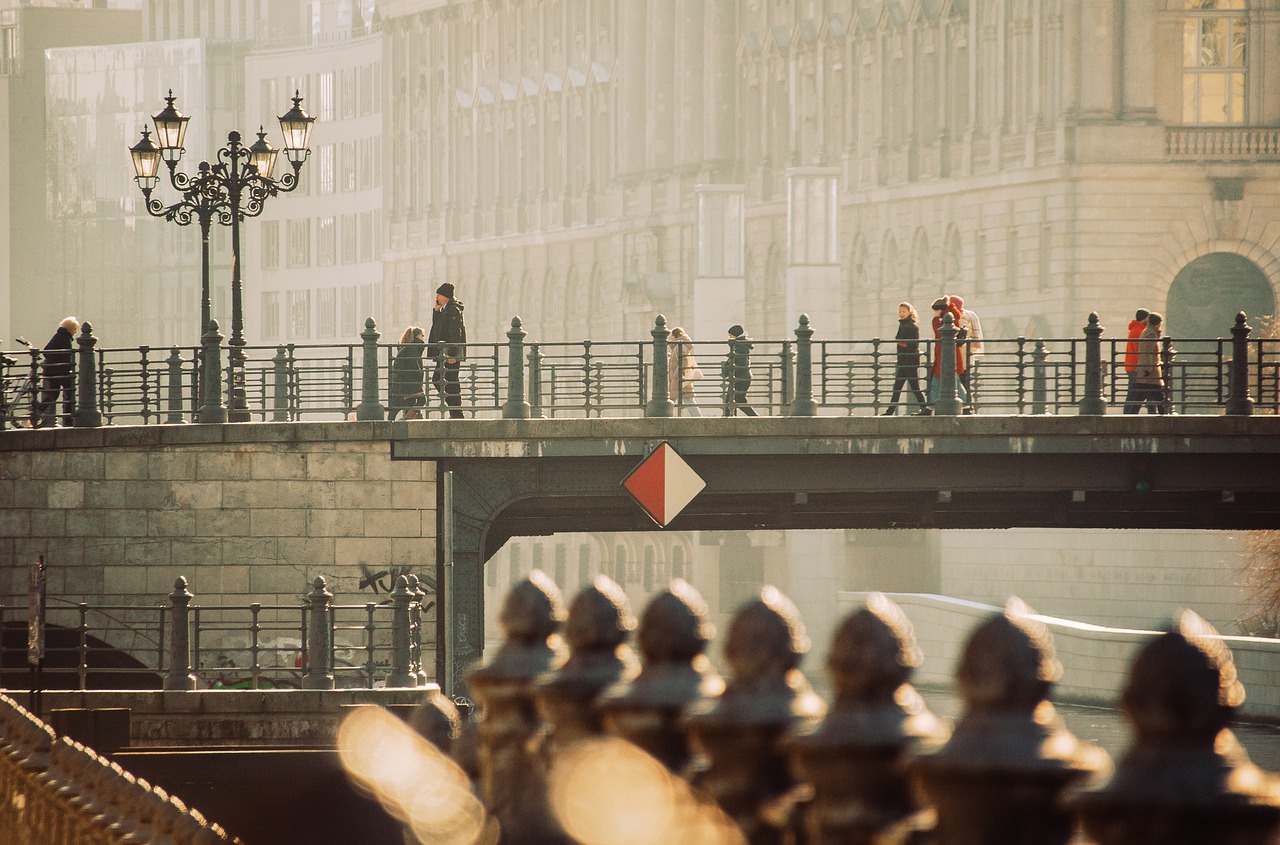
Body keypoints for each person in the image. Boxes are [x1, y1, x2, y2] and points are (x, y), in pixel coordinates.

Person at [920, 296, 968, 415]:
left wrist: (936, 319)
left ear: (940, 309)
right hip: (945, 357)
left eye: (936, 310)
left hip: (946, 357)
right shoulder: (952, 316)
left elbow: (938, 332)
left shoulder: (944, 319)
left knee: (948, 382)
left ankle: (930, 407)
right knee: (945, 382)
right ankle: (966, 406)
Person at [428, 282, 467, 419]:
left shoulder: (452, 309)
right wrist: (436, 311)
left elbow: (455, 332)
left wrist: (452, 353)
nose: (437, 297)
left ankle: (457, 412)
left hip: (449, 354)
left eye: (439, 295)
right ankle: (455, 411)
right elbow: (438, 327)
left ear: (445, 296)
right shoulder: (446, 309)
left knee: (448, 381)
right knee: (445, 380)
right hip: (443, 353)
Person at [882, 302, 927, 415]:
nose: (901, 314)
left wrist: (906, 361)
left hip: (909, 361)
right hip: (903, 361)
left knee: (913, 387)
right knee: (898, 387)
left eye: (903, 311)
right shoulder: (902, 324)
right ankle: (890, 411)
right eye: (900, 311)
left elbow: (911, 345)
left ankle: (925, 407)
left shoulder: (912, 326)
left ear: (909, 312)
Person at [36, 316, 79, 427]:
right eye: (75, 329)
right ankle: (69, 419)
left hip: (51, 371)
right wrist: (68, 366)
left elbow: (46, 351)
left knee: (53, 394)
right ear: (70, 328)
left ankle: (37, 411)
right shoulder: (65, 338)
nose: (75, 332)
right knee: (70, 392)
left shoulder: (58, 336)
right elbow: (66, 356)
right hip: (61, 372)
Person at [388, 325, 426, 420]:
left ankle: (398, 422)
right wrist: (418, 379)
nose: (423, 337)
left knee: (404, 403)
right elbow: (413, 364)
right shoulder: (414, 347)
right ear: (417, 336)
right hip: (412, 380)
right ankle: (405, 420)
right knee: (421, 400)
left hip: (404, 381)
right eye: (422, 335)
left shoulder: (406, 347)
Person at [1132, 312, 1166, 414]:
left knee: (1143, 395)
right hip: (1151, 371)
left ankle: (1133, 414)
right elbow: (1148, 352)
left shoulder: (1146, 331)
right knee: (1156, 393)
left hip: (1146, 370)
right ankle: (1164, 414)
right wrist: (1148, 369)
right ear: (1158, 323)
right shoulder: (1151, 334)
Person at [722, 324, 758, 416]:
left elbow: (741, 363)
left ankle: (730, 421)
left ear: (735, 335)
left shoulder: (740, 346)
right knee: (735, 400)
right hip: (741, 377)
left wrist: (730, 370)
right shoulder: (740, 345)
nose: (729, 338)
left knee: (734, 400)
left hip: (740, 378)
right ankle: (731, 419)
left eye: (730, 336)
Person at [668, 327, 703, 417]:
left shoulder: (680, 345)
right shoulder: (679, 345)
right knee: (685, 399)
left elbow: (683, 360)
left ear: (675, 336)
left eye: (671, 336)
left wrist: (676, 375)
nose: (669, 338)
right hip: (680, 377)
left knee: (675, 399)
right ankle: (698, 417)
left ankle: (664, 417)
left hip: (679, 378)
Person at [1122, 308, 1150, 414]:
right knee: (1136, 393)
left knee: (1135, 392)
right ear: (1144, 318)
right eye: (1148, 318)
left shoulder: (1135, 329)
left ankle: (1129, 413)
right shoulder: (1140, 331)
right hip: (1136, 366)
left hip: (1132, 365)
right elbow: (1141, 350)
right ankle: (1130, 413)